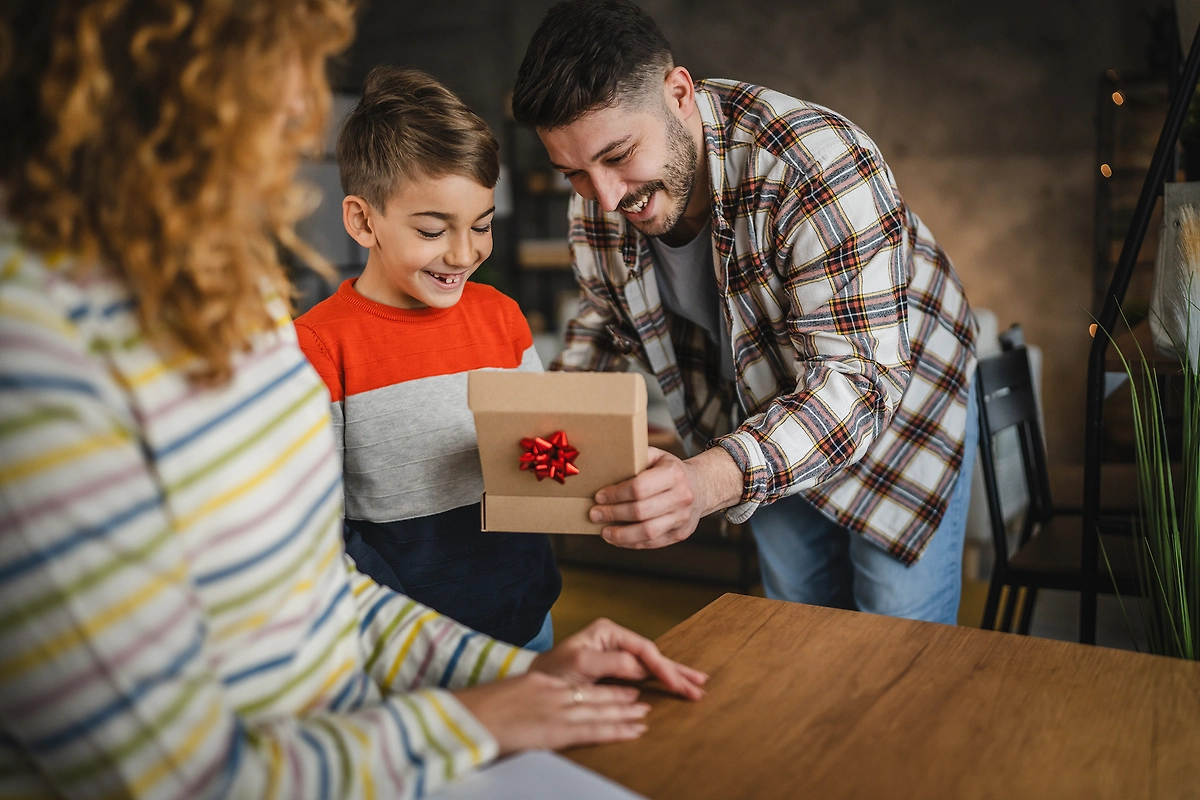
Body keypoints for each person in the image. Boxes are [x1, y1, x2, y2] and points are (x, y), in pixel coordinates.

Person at [0, 2, 705, 797]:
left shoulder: (237, 300)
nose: (304, 109)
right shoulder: (33, 358)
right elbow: (176, 781)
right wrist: (477, 720)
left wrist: (519, 673)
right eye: (280, 67)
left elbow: (322, 590)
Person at [511, 0, 979, 624]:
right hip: (760, 425)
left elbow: (856, 384)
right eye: (574, 173)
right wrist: (547, 446)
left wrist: (704, 482)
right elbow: (603, 323)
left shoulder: (817, 165)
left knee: (896, 652)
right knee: (799, 639)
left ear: (679, 94)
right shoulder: (598, 202)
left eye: (619, 154)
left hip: (898, 420)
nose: (606, 197)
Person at [296, 67, 561, 651]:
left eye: (483, 226)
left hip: (526, 615)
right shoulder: (319, 348)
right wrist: (406, 631)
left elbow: (543, 454)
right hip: (406, 643)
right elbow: (318, 526)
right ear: (364, 221)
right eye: (433, 230)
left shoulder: (501, 316)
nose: (465, 253)